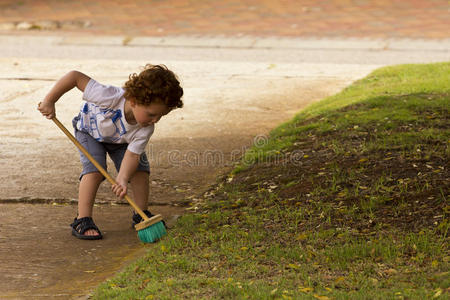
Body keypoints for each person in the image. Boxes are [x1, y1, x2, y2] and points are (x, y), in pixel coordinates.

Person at [38, 64, 183, 240]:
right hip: (89, 132)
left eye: (161, 116)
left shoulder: (145, 128)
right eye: (151, 114)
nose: (155, 120)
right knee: (95, 171)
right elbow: (74, 77)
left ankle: (141, 213)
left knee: (139, 170)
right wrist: (50, 100)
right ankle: (82, 219)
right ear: (134, 100)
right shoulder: (109, 96)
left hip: (121, 140)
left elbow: (132, 155)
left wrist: (122, 178)